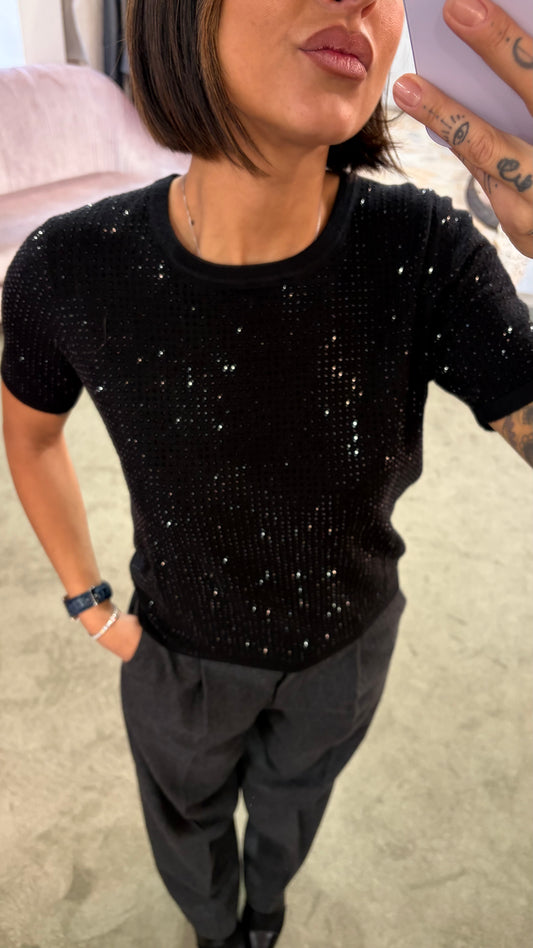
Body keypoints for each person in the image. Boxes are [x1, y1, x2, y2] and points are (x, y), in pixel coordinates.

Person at [1, 1, 532, 946]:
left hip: (348, 648)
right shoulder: (67, 268)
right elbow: (32, 438)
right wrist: (89, 601)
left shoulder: (424, 252)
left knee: (293, 810)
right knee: (184, 820)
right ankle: (215, 929)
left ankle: (268, 914)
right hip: (176, 654)